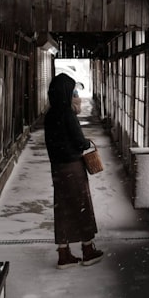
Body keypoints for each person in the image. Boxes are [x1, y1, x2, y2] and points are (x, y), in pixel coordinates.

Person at [43, 73, 104, 269]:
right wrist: (86, 143)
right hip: (72, 166)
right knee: (81, 205)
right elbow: (79, 141)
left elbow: (52, 143)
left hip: (57, 168)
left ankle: (63, 253)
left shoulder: (50, 114)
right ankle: (88, 250)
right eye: (72, 91)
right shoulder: (67, 114)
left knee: (62, 208)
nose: (73, 94)